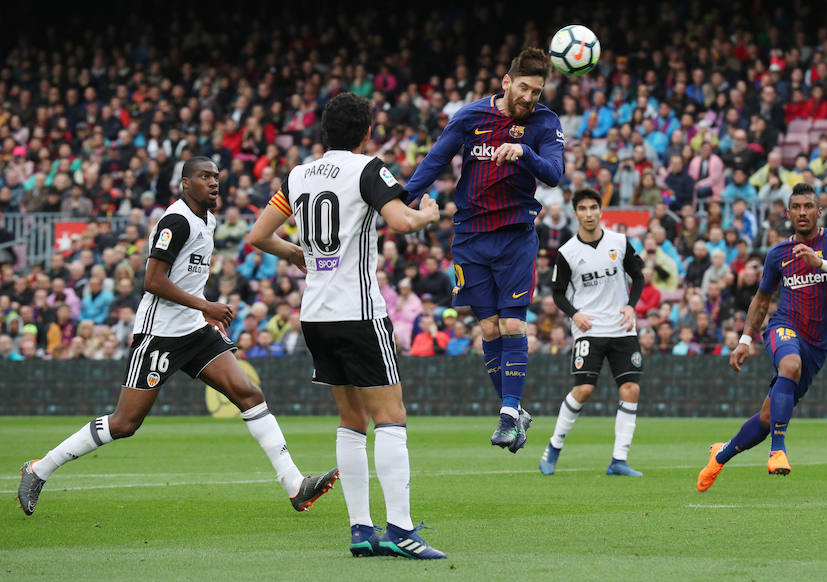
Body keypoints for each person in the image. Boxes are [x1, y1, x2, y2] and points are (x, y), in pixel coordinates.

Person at [18, 157, 338, 517]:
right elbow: (152, 281)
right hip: (159, 334)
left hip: (194, 330)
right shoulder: (177, 220)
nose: (214, 183)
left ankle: (295, 485)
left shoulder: (208, 219)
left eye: (216, 176)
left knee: (249, 394)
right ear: (186, 184)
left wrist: (202, 312)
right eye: (204, 177)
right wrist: (207, 306)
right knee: (125, 423)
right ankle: (39, 469)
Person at [246, 93, 445, 559]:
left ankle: (361, 530)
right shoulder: (368, 168)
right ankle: (399, 529)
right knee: (390, 415)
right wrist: (429, 215)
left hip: (315, 315)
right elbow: (400, 222)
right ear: (367, 132)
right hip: (358, 312)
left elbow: (258, 235)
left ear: (322, 132)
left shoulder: (298, 175)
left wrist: (295, 252)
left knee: (351, 419)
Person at [403, 47, 564, 452]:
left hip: (515, 235)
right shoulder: (471, 116)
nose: (530, 98)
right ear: (507, 82)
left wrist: (524, 152)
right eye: (524, 88)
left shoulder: (545, 123)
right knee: (488, 329)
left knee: (512, 324)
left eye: (537, 91)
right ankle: (515, 410)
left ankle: (509, 413)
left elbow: (555, 174)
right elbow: (436, 159)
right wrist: (403, 200)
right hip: (471, 235)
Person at [697, 183, 827, 491]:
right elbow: (762, 299)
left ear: (818, 211)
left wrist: (822, 264)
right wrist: (745, 341)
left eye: (808, 206)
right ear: (788, 213)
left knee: (767, 416)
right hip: (783, 326)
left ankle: (719, 455)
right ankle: (778, 450)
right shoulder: (778, 253)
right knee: (789, 364)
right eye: (796, 207)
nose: (802, 212)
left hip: (817, 345)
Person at [539, 188, 646, 477]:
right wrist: (576, 314)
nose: (588, 214)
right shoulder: (567, 253)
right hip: (589, 329)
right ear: (575, 213)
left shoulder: (620, 242)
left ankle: (619, 460)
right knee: (584, 389)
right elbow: (558, 293)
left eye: (593, 208)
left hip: (622, 328)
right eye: (583, 209)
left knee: (631, 389)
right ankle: (554, 445)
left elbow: (638, 276)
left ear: (601, 211)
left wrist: (631, 307)